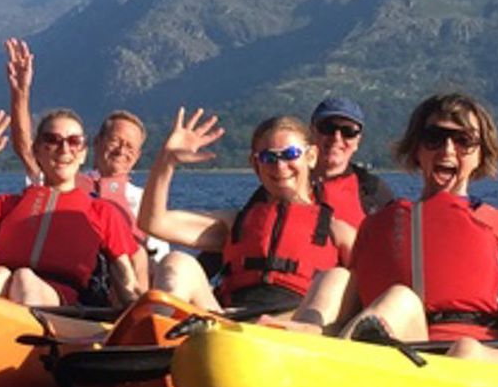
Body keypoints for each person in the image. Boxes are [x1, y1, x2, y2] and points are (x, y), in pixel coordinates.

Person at [294, 90, 498, 364]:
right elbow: (351, 300)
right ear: (417, 150)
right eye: (435, 138)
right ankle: (314, 367)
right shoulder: (377, 225)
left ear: (480, 155)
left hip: (480, 359)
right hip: (407, 358)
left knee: (465, 352)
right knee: (388, 296)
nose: (448, 150)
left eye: (464, 141)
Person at [138, 109, 356, 315]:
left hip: (298, 328)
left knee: (340, 277)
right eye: (268, 158)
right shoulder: (234, 224)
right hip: (231, 324)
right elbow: (153, 222)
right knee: (177, 262)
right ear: (255, 164)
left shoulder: (337, 232)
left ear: (311, 157)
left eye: (290, 154)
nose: (280, 166)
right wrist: (166, 162)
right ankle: (158, 346)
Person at [0, 106, 147, 308]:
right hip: (3, 293)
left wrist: (139, 309)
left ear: (83, 154)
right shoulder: (9, 204)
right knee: (2, 273)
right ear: (37, 150)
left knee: (23, 276)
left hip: (63, 306)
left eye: (74, 142)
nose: (64, 149)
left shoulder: (102, 212)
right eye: (52, 140)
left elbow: (126, 281)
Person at [4, 37, 165, 259]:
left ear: (137, 156)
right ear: (96, 143)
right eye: (115, 141)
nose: (121, 150)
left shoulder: (145, 202)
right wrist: (20, 93)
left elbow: (159, 258)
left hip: (127, 278)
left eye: (130, 147)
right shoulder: (62, 176)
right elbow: (25, 149)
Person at [307, 94, 396, 226]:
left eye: (348, 131)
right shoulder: (284, 184)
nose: (336, 138)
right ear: (312, 132)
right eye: (328, 128)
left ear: (357, 141)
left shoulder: (374, 191)